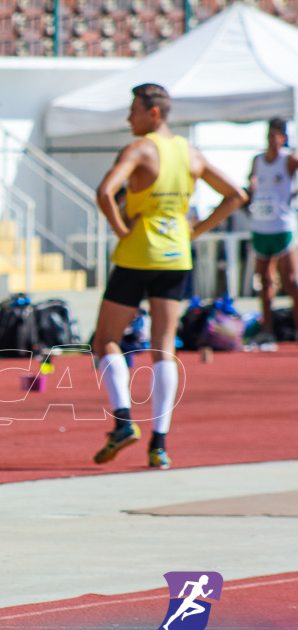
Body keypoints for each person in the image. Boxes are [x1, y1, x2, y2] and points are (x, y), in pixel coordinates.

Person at [92, 83, 246, 470]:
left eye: (134, 110)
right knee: (164, 346)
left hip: (139, 251)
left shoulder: (141, 148)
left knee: (106, 339)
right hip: (177, 255)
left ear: (153, 113)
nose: (129, 117)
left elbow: (105, 192)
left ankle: (123, 421)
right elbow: (236, 195)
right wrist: (197, 230)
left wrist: (120, 230)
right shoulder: (190, 152)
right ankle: (159, 445)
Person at [247, 118, 298, 343]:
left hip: (283, 226)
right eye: (269, 135)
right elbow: (252, 181)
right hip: (261, 227)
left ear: (283, 138)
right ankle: (267, 329)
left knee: (290, 281)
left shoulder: (289, 160)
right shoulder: (257, 160)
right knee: (265, 280)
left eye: (276, 135)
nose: (271, 140)